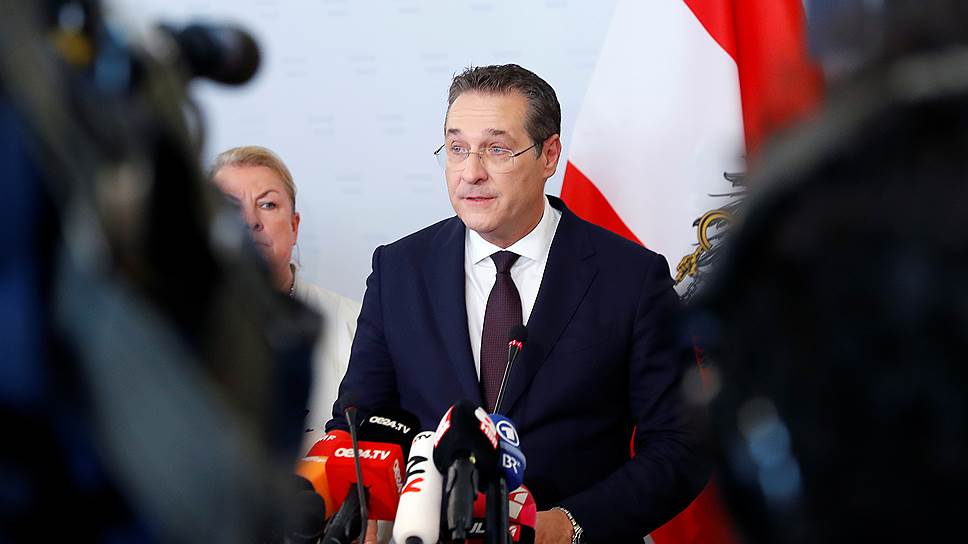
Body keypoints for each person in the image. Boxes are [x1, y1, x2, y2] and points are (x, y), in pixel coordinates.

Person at [328, 65, 707, 542]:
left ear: (549, 155)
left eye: (496, 149)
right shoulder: (399, 270)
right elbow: (359, 424)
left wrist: (567, 525)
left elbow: (681, 444)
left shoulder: (631, 278)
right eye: (457, 148)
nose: (471, 172)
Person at [211, 145, 361, 453]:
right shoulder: (170, 330)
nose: (250, 221)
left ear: (294, 226)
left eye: (267, 204)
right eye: (230, 206)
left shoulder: (356, 324)